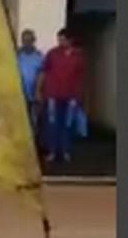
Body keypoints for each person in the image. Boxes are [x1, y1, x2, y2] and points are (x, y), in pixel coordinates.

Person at [39, 28, 86, 163]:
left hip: (71, 96)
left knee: (67, 124)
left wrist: (80, 96)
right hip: (53, 94)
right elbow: (44, 72)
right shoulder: (52, 54)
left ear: (70, 40)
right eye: (59, 39)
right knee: (52, 123)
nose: (60, 42)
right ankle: (52, 152)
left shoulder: (78, 57)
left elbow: (80, 78)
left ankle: (65, 151)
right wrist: (40, 90)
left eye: (62, 39)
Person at [15, 29, 44, 137]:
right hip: (19, 95)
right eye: (24, 40)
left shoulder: (39, 56)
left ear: (33, 41)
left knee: (34, 122)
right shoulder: (16, 55)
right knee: (20, 122)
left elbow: (42, 73)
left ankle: (34, 147)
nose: (26, 43)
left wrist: (38, 91)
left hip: (34, 94)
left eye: (29, 40)